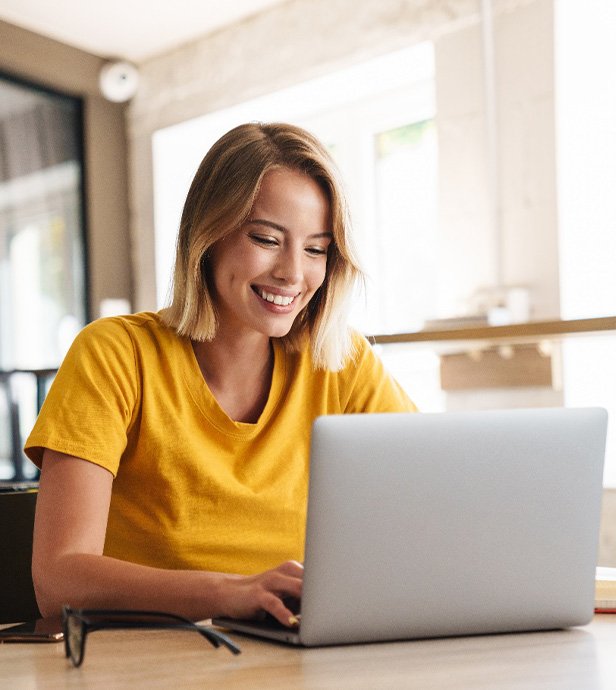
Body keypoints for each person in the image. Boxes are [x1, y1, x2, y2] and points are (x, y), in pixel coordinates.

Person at [25, 122, 416, 627]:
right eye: (267, 239)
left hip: (292, 654)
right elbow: (58, 582)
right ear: (207, 236)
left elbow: (430, 507)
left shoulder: (341, 362)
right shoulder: (115, 354)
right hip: (147, 659)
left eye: (316, 249)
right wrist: (228, 592)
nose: (293, 274)